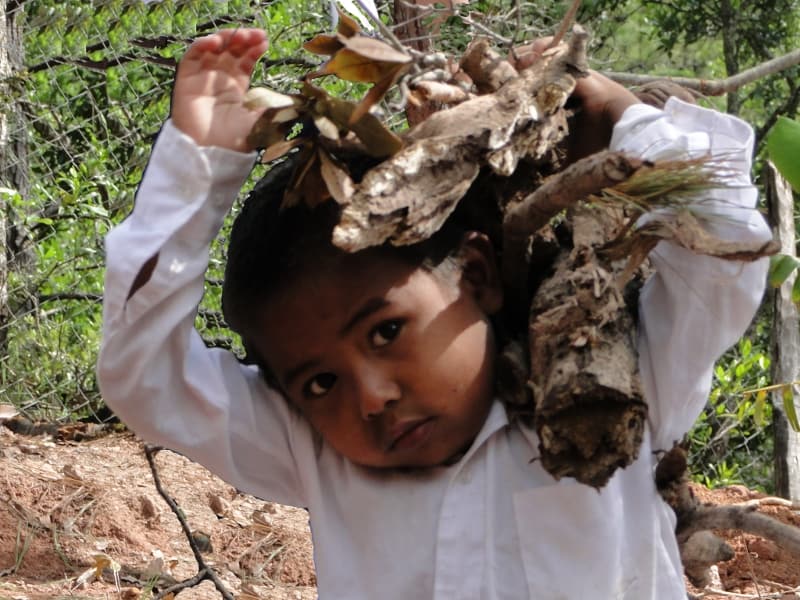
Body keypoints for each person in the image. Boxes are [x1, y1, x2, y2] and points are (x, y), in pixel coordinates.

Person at [97, 27, 772, 599]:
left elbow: (729, 246)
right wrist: (199, 168)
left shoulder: (619, 384)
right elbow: (143, 377)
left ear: (475, 274)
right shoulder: (312, 450)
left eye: (386, 332)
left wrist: (616, 120)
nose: (372, 395)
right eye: (320, 383)